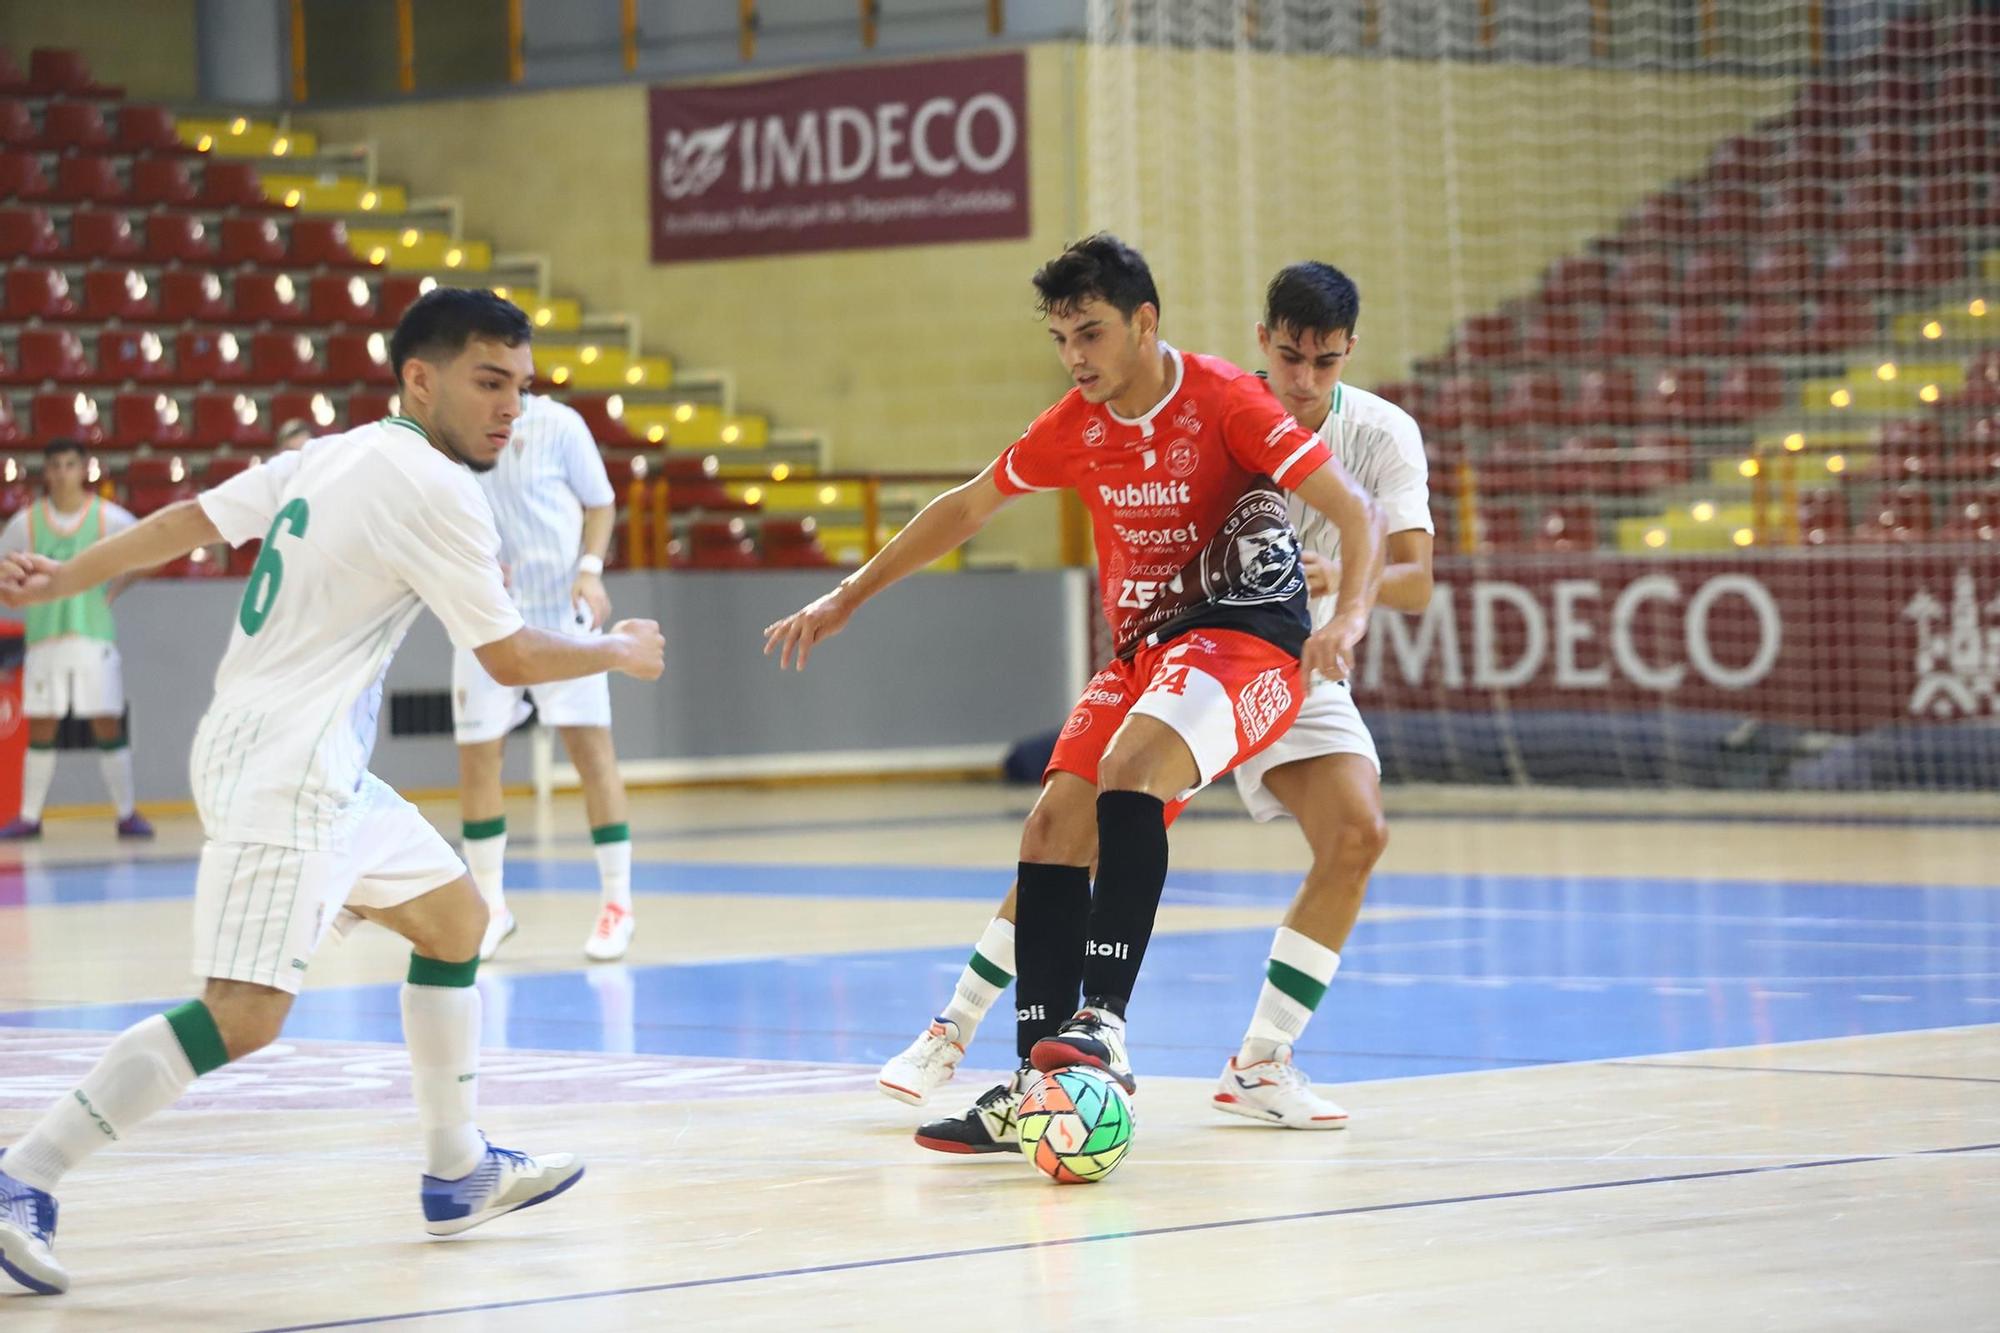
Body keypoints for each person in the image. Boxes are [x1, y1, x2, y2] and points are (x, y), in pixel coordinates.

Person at [0, 288, 665, 1296]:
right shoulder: (437, 490)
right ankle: (22, 1178)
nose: (509, 409)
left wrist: (67, 577)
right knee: (244, 1011)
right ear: (419, 378)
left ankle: (456, 1168)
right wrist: (612, 648)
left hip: (295, 756)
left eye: (520, 388)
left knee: (456, 919)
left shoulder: (333, 452)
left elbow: (186, 520)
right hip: (288, 766)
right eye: (489, 382)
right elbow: (507, 650)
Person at [765, 235, 1385, 1149]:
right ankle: (1032, 1082)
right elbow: (968, 504)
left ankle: (1102, 1021)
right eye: (1061, 339)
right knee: (1052, 825)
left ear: (1145, 321)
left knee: (1137, 769)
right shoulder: (1074, 422)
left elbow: (1354, 509)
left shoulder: (1227, 399)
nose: (1075, 358)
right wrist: (848, 594)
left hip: (1248, 637)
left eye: (1090, 333)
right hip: (1144, 651)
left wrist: (1350, 616)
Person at [451, 391, 634, 962]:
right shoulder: (453, 429)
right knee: (479, 757)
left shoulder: (560, 424)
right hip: (487, 614)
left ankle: (617, 905)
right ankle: (491, 908)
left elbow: (600, 503)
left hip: (563, 616)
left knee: (591, 755)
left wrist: (590, 569)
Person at [0, 439, 152, 840]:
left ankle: (126, 812)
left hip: (91, 634)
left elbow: (151, 552)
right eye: (56, 465)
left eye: (70, 464)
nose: (63, 472)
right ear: (46, 471)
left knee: (105, 720)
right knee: (42, 724)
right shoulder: (26, 523)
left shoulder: (109, 517)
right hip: (44, 635)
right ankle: (30, 817)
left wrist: (117, 587)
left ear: (85, 469)